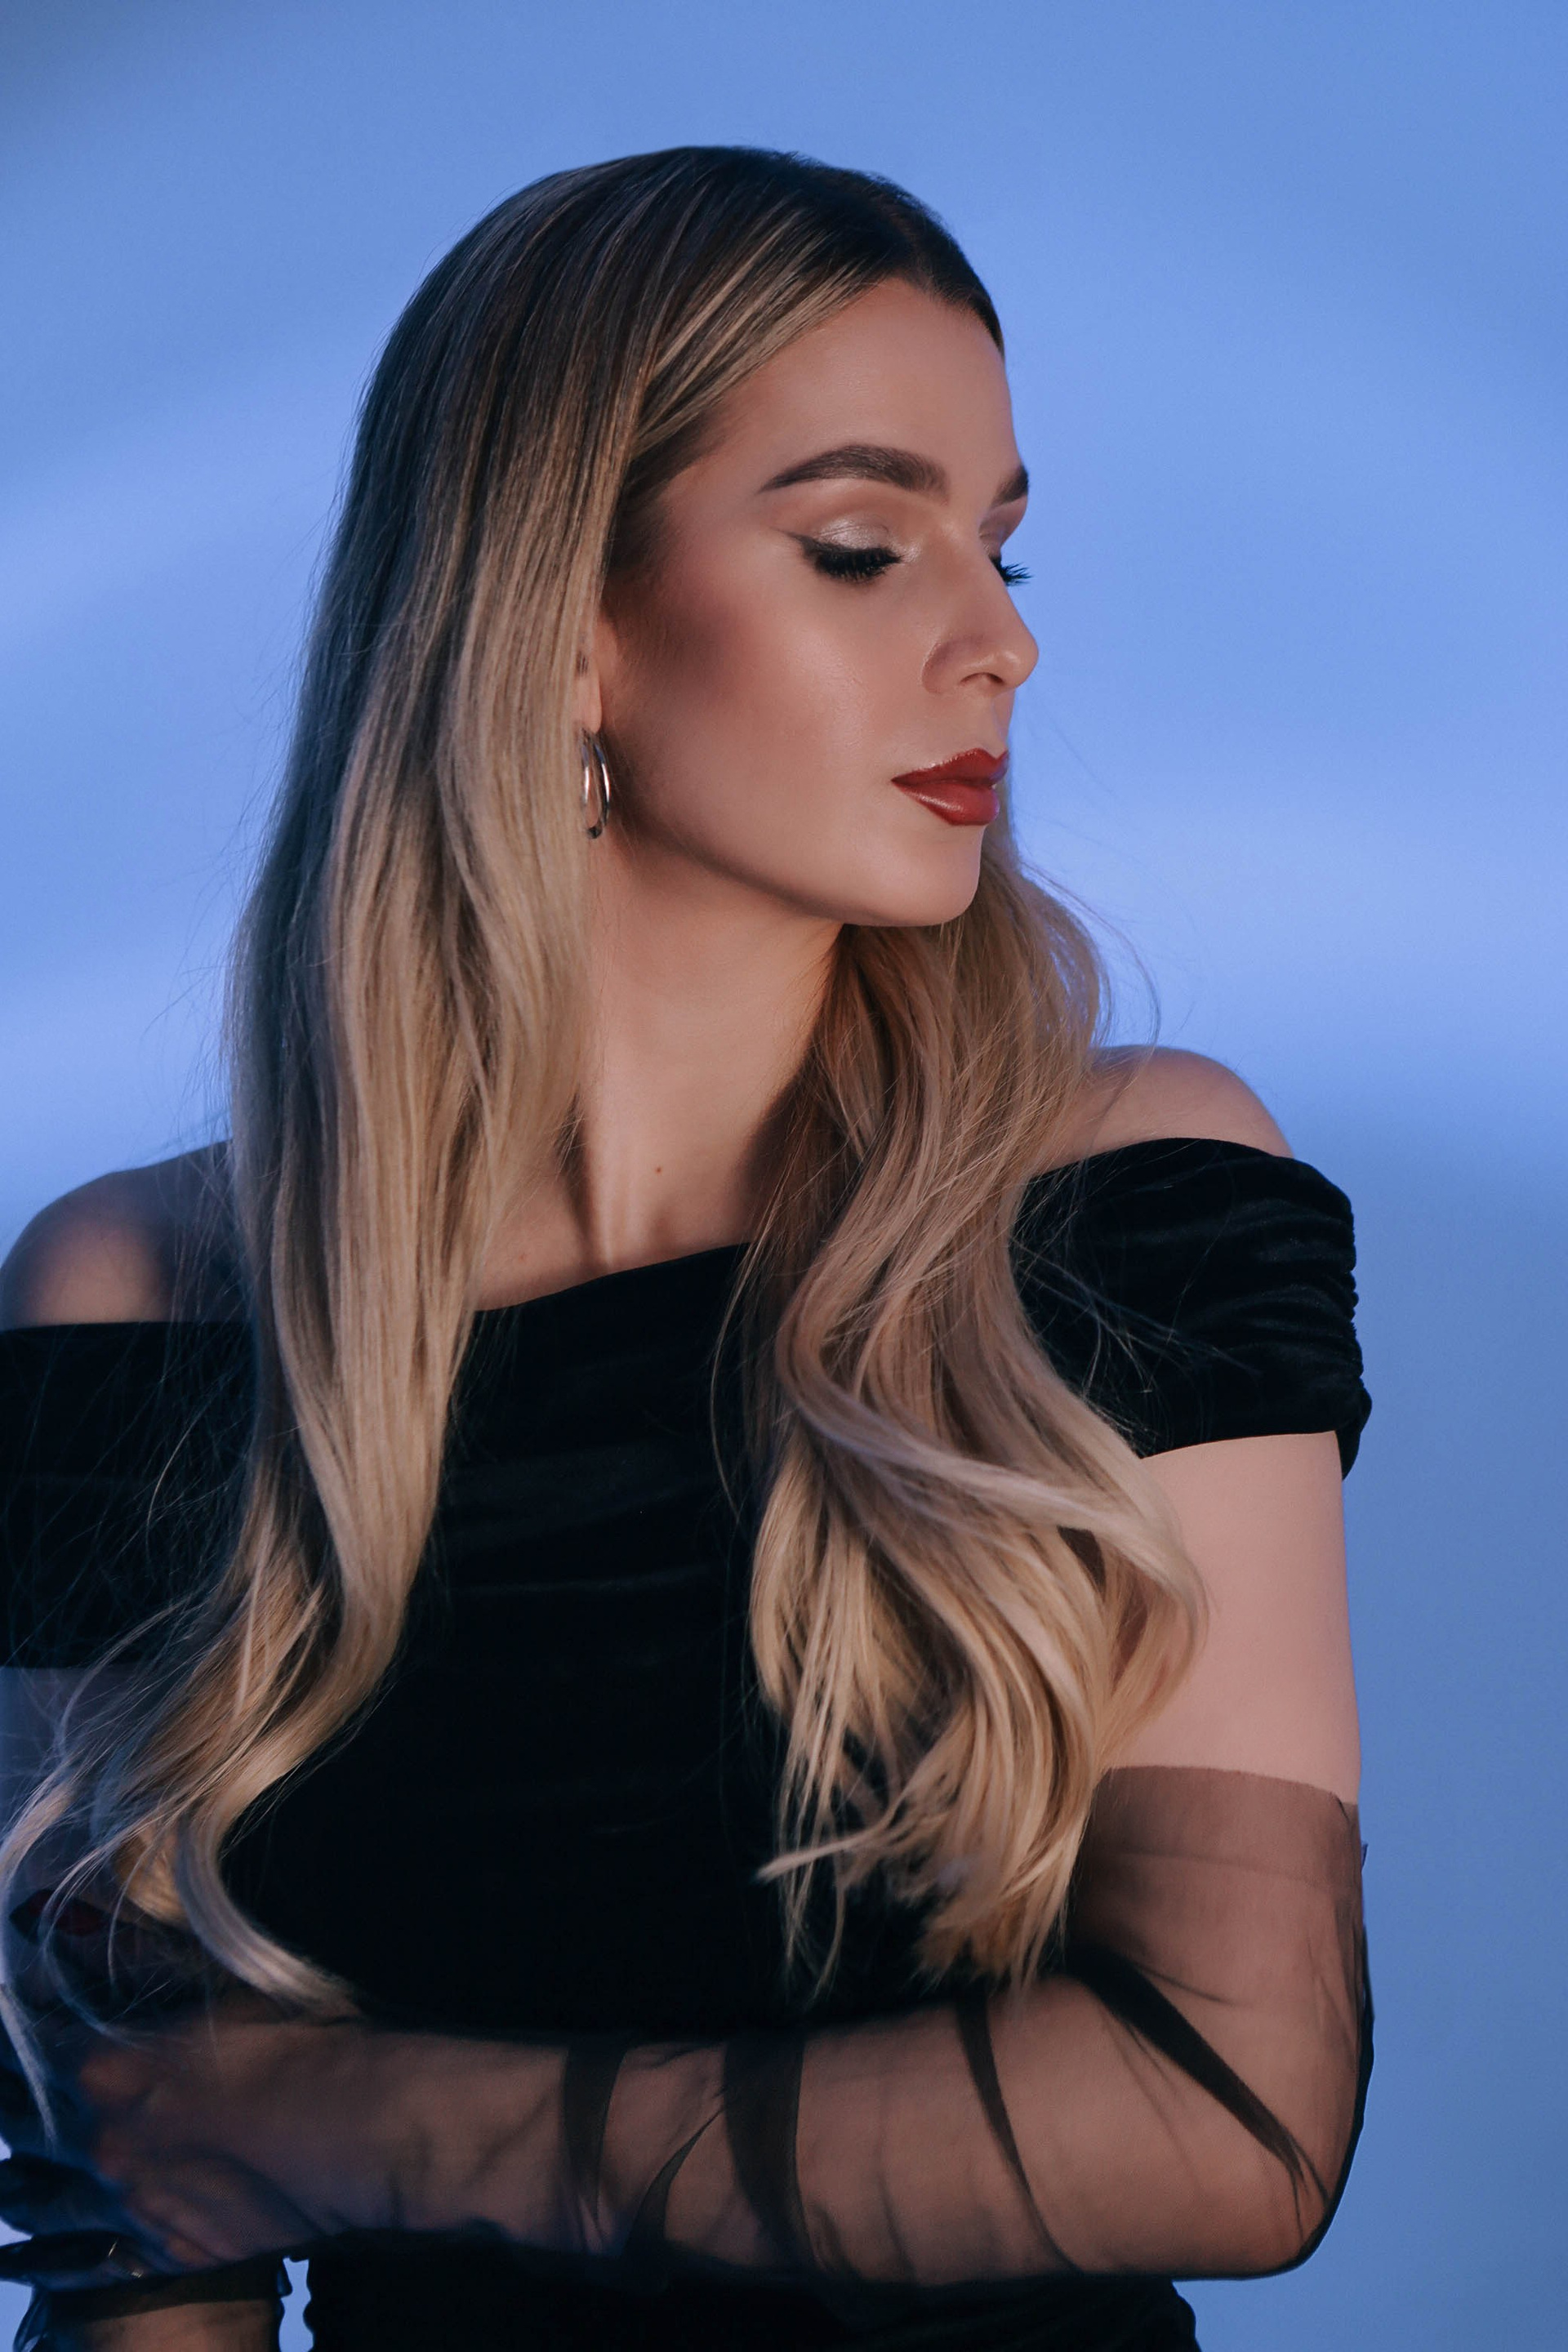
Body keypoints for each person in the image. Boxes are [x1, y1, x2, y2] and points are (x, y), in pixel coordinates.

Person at [0, 148, 1370, 2352]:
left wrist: (353, 2126)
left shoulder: (1129, 1197)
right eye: (864, 547)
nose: (1003, 641)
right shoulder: (139, 1302)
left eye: (1004, 545)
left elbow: (1233, 2118)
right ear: (564, 625)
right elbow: (141, 2213)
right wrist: (240, 2159)